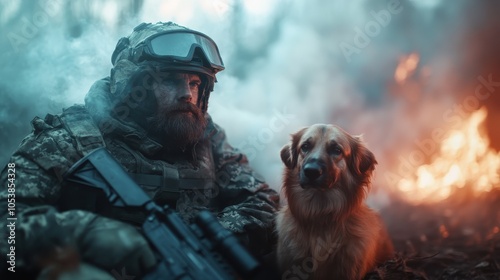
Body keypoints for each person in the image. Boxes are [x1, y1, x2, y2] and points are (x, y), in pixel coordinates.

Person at [0, 21, 279, 279]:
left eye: (194, 83)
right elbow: (6, 230)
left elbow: (265, 202)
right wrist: (82, 232)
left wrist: (209, 238)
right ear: (135, 87)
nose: (187, 94)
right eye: (171, 80)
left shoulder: (210, 139)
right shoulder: (65, 139)